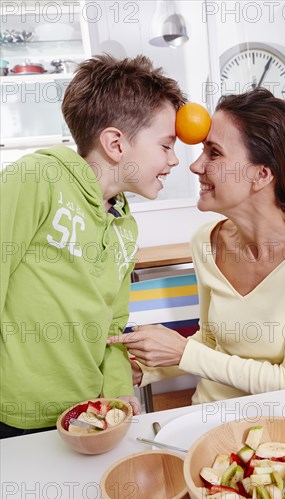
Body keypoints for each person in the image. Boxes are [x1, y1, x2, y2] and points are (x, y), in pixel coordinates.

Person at [109, 88, 285, 405]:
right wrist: (140, 370)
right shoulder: (206, 241)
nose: (195, 166)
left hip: (283, 432)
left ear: (261, 174)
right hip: (206, 417)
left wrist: (183, 352)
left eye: (214, 153)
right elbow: (213, 342)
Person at [0, 54, 186, 437]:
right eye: (166, 146)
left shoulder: (125, 225)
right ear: (116, 143)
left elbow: (114, 324)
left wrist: (118, 390)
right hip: (14, 414)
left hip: (86, 413)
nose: (174, 160)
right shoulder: (37, 177)